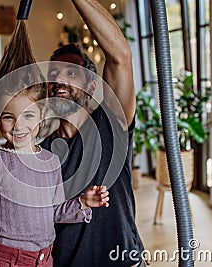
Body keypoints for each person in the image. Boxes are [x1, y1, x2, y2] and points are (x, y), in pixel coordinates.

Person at [0, 74, 110, 266]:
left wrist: (83, 202)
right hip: (3, 258)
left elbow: (55, 211)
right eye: (8, 117)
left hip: (44, 258)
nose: (19, 125)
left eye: (28, 115)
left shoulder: (51, 161)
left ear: (42, 116)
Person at [39, 0, 146, 266]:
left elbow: (120, 55)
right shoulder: (39, 153)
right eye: (54, 73)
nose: (60, 79)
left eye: (71, 72)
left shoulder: (111, 124)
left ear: (92, 85)